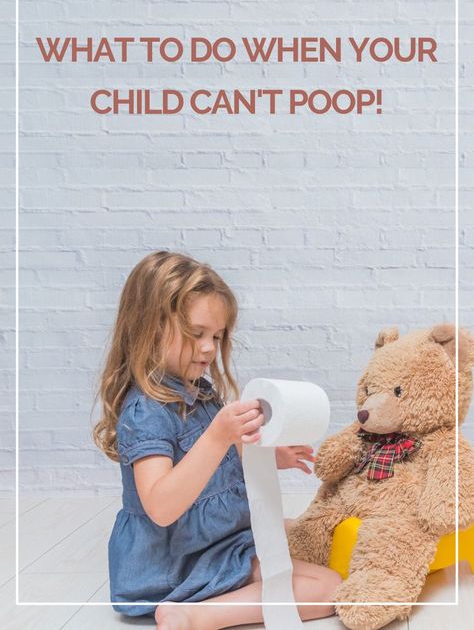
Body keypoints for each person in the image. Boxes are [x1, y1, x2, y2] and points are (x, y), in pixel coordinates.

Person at [93, 251, 341, 630]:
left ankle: (215, 598)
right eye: (197, 334)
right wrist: (217, 434)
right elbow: (160, 505)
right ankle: (195, 615)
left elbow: (227, 457)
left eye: (217, 336)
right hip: (173, 563)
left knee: (300, 530)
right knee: (328, 588)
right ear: (150, 327)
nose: (209, 347)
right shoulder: (147, 411)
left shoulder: (200, 393)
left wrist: (272, 456)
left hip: (216, 541)